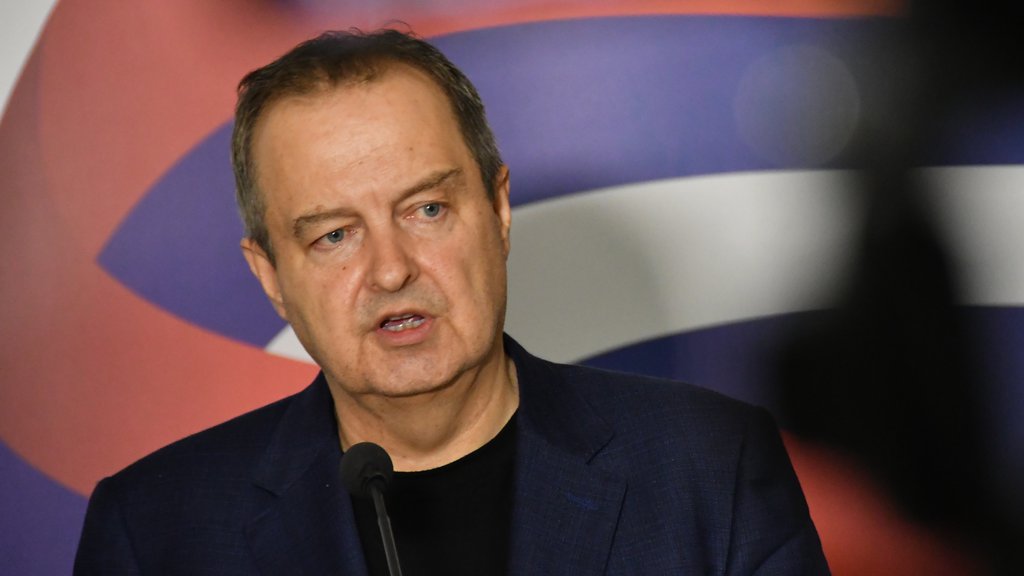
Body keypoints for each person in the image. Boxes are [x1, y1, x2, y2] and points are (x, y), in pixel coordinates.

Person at [74, 29, 830, 575]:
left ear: (498, 211)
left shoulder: (708, 466)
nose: (391, 270)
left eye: (426, 209)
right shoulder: (158, 530)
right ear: (270, 275)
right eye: (334, 235)